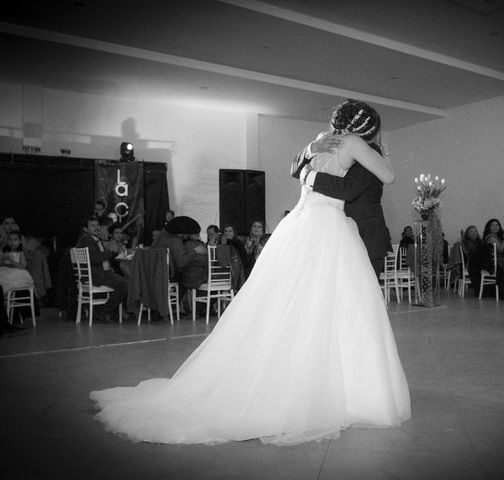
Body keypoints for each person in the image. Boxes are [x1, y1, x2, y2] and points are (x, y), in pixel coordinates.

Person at [90, 99, 410, 446]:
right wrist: (360, 159)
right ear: (366, 126)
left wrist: (306, 166)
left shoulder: (320, 139)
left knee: (290, 304)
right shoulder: (356, 143)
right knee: (340, 307)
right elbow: (385, 176)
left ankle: (297, 376)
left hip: (299, 224)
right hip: (328, 226)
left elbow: (300, 170)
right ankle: (339, 387)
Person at [292, 99, 394, 278]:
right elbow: (294, 170)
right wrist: (311, 149)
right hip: (334, 229)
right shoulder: (326, 140)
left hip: (365, 234)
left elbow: (348, 189)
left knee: (361, 295)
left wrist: (309, 177)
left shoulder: (370, 153)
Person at [76, 216, 128, 322]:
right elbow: (95, 258)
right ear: (85, 229)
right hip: (97, 274)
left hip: (98, 272)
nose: (96, 228)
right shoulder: (87, 240)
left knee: (122, 281)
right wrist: (110, 252)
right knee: (125, 284)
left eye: (97, 225)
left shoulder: (93, 240)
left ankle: (105, 311)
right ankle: (104, 312)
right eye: (92, 226)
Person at [216, 224, 248, 291]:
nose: (227, 233)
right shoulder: (222, 243)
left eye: (230, 231)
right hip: (227, 271)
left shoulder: (236, 242)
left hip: (240, 269)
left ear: (234, 233)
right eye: (226, 231)